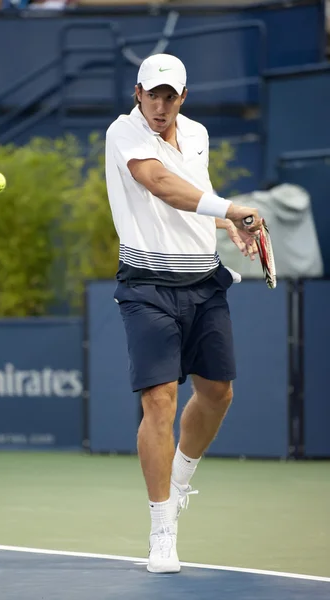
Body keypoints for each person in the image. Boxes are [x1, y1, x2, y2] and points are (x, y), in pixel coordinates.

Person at [105, 53, 262, 574]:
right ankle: (162, 529)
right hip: (147, 287)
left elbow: (191, 203)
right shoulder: (123, 134)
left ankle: (179, 478)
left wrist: (226, 226)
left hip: (203, 283)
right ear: (137, 93)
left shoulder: (196, 134)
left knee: (218, 393)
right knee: (159, 401)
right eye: (153, 94)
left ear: (183, 98)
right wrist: (230, 208)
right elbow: (160, 186)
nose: (160, 104)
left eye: (170, 96)